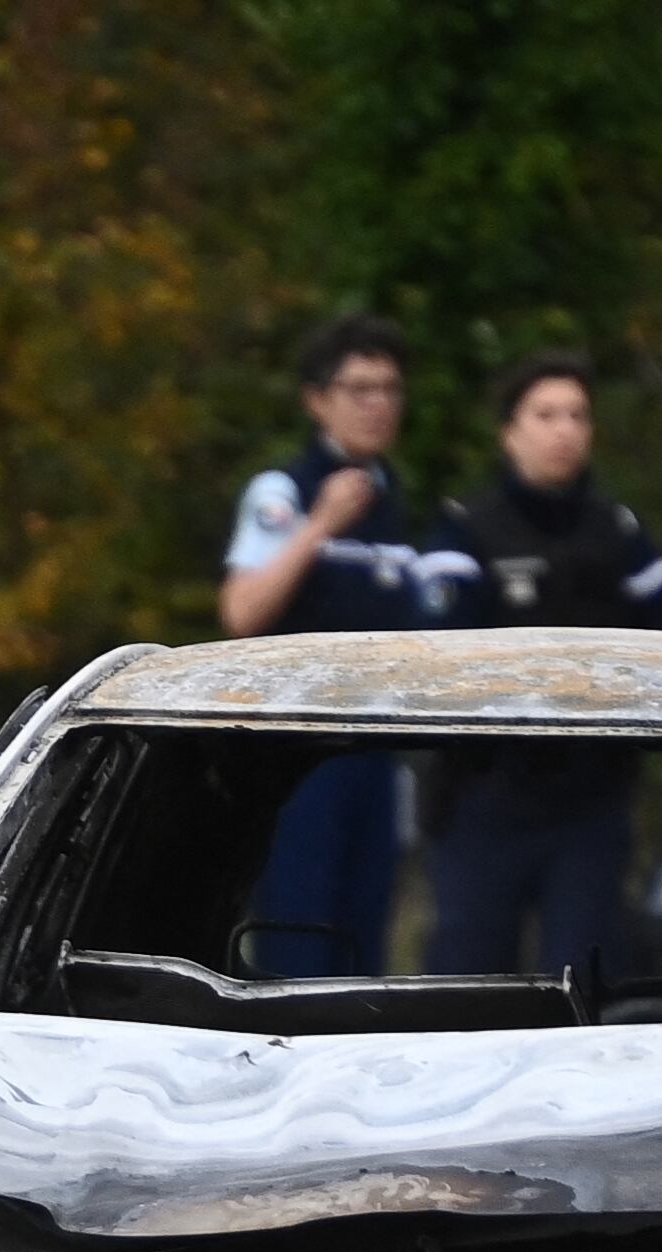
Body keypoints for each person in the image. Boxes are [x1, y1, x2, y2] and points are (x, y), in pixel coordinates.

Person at [413, 351, 662, 979]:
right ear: (509, 432)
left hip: (589, 804)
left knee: (588, 988)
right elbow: (440, 653)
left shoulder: (617, 532)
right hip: (485, 797)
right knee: (467, 988)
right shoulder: (467, 530)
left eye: (578, 415)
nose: (565, 430)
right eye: (545, 414)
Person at [219, 313, 420, 976]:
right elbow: (242, 611)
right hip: (298, 753)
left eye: (389, 389)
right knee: (298, 940)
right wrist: (319, 526)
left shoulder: (396, 505)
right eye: (359, 389)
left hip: (377, 750)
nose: (377, 405)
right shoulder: (285, 491)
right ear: (317, 399)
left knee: (364, 947)